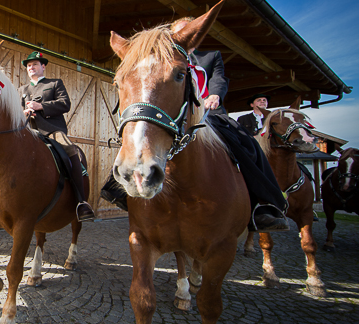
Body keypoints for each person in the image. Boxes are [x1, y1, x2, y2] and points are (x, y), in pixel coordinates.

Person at [102, 18, 290, 232]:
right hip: (173, 116)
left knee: (247, 143)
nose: (184, 38)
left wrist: (215, 95)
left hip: (208, 113)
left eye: (189, 34)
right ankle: (117, 188)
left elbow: (219, 78)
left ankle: (266, 203)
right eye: (179, 33)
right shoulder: (161, 58)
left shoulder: (211, 57)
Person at [18, 51, 95, 222]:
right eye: (29, 66)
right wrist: (23, 112)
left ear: (43, 67)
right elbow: (17, 112)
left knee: (70, 150)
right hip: (30, 131)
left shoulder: (54, 84)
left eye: (35, 64)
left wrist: (41, 106)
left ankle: (81, 201)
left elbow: (64, 104)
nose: (31, 68)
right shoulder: (22, 90)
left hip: (52, 130)